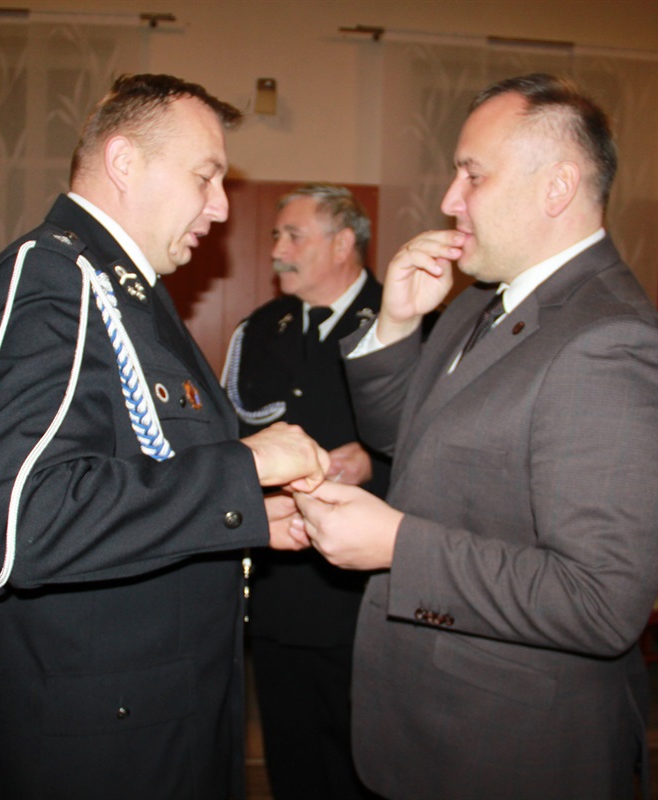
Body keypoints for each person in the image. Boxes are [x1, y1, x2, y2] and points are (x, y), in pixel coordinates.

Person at [292, 73, 658, 799]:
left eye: (472, 175)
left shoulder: (612, 343)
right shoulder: (479, 300)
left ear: (557, 187)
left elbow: (600, 602)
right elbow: (402, 441)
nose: (450, 199)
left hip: (513, 748)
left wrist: (398, 545)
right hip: (432, 721)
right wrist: (397, 325)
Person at [0, 74, 329, 799]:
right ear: (124, 163)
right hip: (97, 743)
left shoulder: (126, 288)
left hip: (152, 716)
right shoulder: (56, 278)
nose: (221, 207)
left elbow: (139, 466)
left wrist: (247, 513)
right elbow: (29, 520)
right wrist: (242, 466)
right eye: (204, 177)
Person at [222, 183, 387, 800]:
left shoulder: (403, 323)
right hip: (280, 586)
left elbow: (447, 452)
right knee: (289, 755)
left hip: (364, 596)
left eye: (293, 236)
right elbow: (233, 437)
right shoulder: (261, 329)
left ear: (343, 244)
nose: (276, 251)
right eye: (276, 236)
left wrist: (376, 463)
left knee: (363, 759)